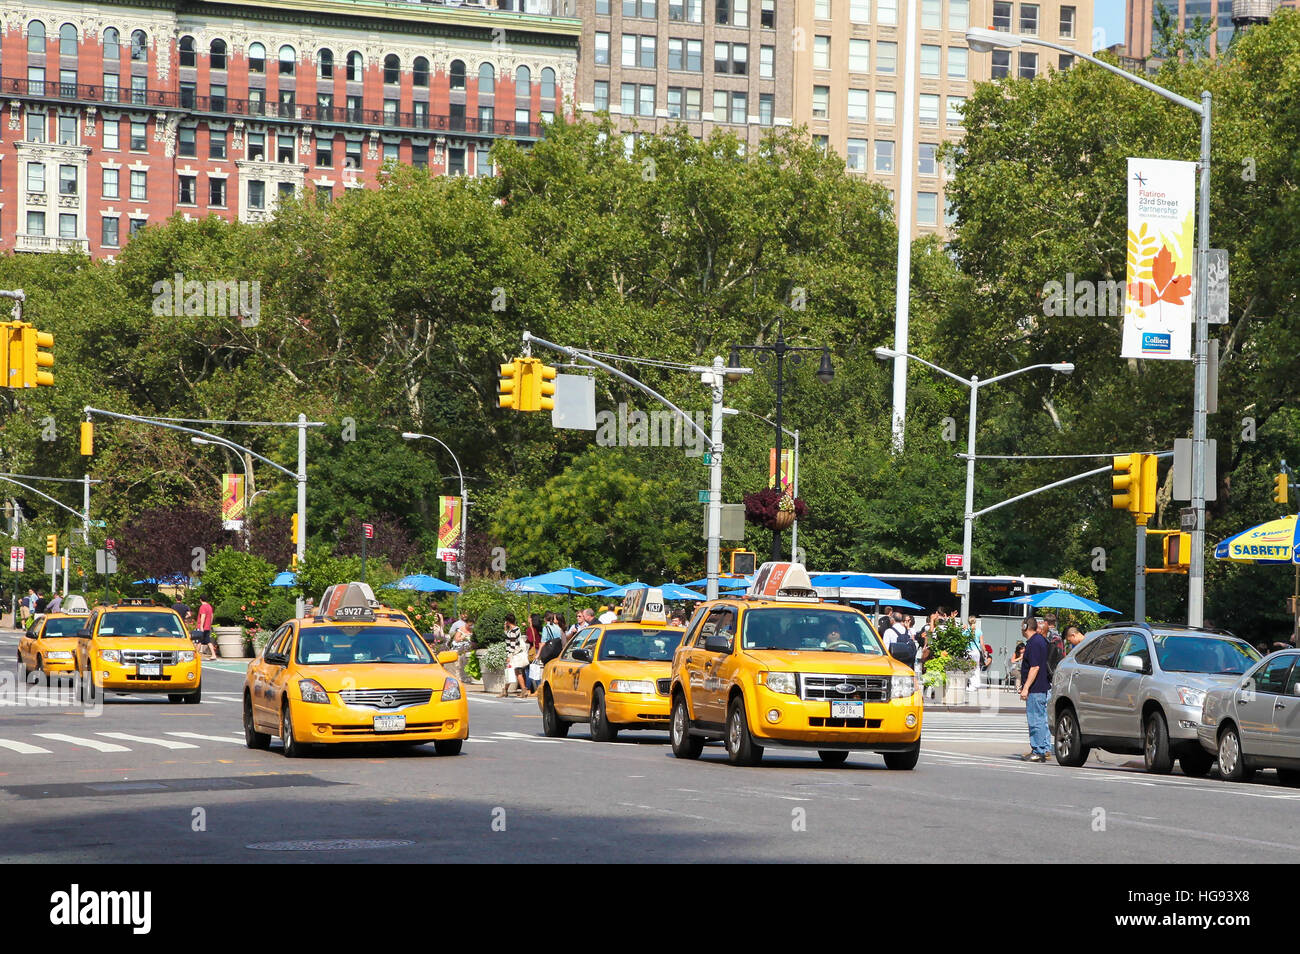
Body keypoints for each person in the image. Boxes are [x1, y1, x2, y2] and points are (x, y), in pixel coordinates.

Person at [1020, 614, 1051, 761]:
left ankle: (1038, 751)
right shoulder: (1040, 640)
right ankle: (1043, 748)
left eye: (1022, 625)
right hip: (1041, 687)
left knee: (1035, 720)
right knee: (1041, 719)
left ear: (1026, 627)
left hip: (1036, 688)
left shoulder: (1033, 643)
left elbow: (1035, 667)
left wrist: (1026, 687)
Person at [504, 613, 529, 697]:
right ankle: (506, 690)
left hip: (514, 655)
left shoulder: (512, 631)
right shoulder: (517, 629)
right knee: (514, 672)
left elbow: (512, 644)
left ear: (507, 621)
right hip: (518, 653)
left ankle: (522, 690)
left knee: (513, 672)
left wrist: (509, 656)